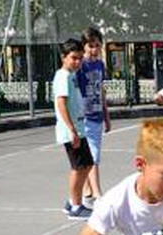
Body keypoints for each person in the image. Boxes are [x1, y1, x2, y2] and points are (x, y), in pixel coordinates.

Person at [54, 38, 93, 220]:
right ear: (64, 57)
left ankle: (72, 201)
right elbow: (61, 103)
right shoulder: (62, 76)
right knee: (78, 168)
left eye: (79, 58)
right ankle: (76, 207)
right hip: (72, 131)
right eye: (73, 58)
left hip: (79, 128)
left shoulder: (71, 75)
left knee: (87, 165)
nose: (77, 62)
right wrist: (72, 130)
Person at [77, 26, 111, 206]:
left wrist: (106, 115)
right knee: (93, 157)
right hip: (85, 117)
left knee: (91, 156)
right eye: (90, 46)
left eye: (97, 45)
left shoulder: (100, 65)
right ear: (84, 46)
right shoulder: (80, 65)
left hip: (97, 114)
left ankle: (86, 192)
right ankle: (97, 195)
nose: (94, 49)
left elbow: (101, 90)